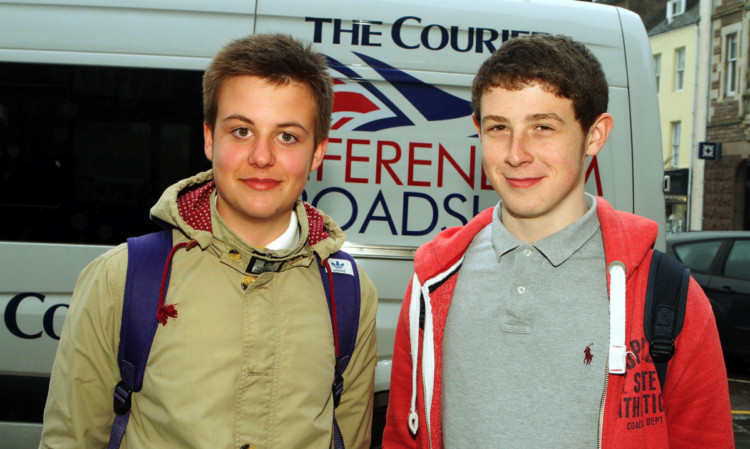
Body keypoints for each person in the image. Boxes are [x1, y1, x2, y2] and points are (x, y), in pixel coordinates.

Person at [382, 34, 734, 448]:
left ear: (595, 135)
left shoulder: (669, 295)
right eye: (499, 127)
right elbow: (402, 439)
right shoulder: (435, 282)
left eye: (543, 127)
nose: (516, 153)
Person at [39, 33, 377, 449]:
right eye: (241, 131)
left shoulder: (348, 293)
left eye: (287, 136)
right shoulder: (122, 278)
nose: (262, 156)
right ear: (208, 138)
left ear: (319, 151)